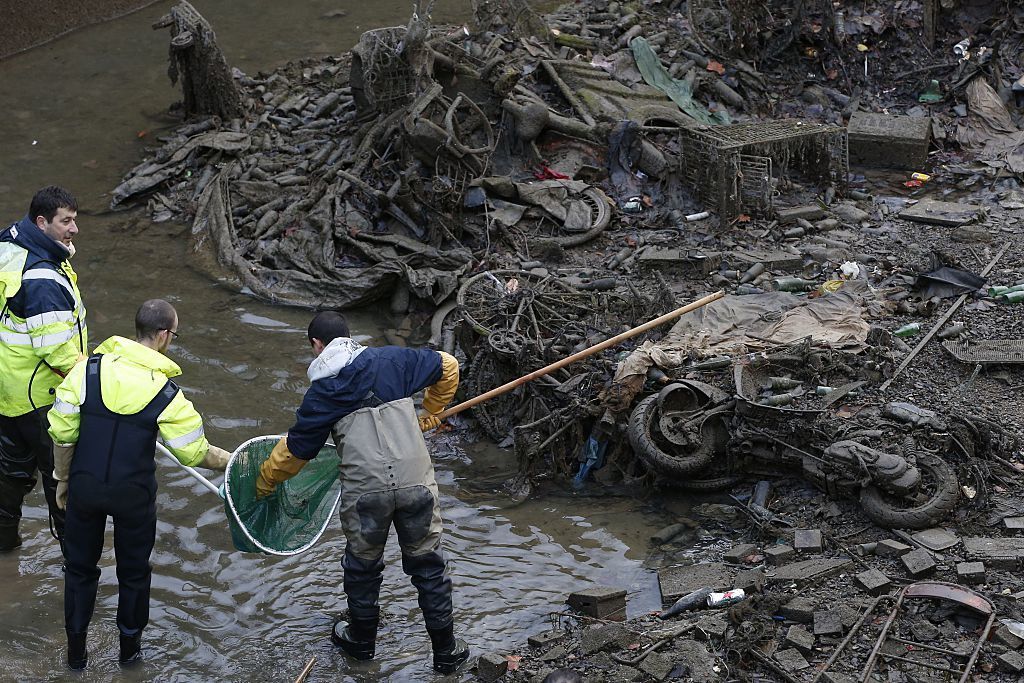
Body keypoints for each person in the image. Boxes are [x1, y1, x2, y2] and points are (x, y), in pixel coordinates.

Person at [256, 310, 470, 674]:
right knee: (428, 564)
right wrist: (432, 411)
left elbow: (292, 454)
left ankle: (362, 645)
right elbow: (448, 366)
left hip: (366, 495)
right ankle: (446, 653)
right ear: (349, 336)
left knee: (363, 567)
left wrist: (263, 485)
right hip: (417, 484)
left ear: (316, 345)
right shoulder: (392, 360)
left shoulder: (321, 393)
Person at [46, 299, 232, 670]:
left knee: (80, 570)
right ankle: (130, 658)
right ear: (164, 336)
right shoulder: (167, 394)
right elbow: (193, 453)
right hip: (134, 495)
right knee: (134, 574)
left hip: (85, 485)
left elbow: (62, 431)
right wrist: (233, 461)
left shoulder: (87, 372)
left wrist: (62, 479)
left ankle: (76, 657)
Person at [0, 186, 88, 552]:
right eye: (66, 221)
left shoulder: (10, 244)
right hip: (42, 400)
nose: (74, 229)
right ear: (42, 222)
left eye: (75, 220)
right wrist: (97, 382)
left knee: (8, 478)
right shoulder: (43, 281)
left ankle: (6, 556)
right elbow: (58, 356)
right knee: (62, 482)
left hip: (9, 393)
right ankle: (76, 563)